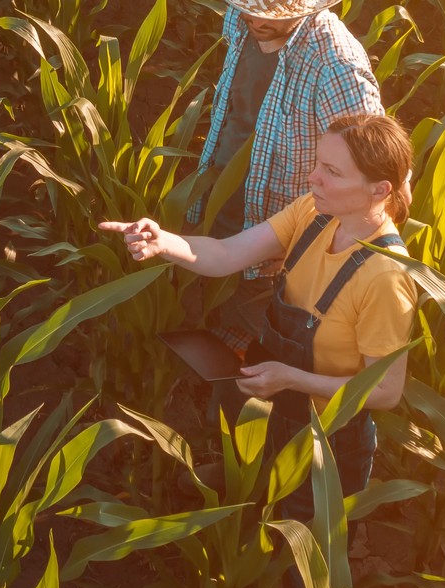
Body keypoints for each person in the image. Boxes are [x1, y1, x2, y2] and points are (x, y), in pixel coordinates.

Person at [100, 112, 419, 518]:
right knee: (257, 514)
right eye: (318, 163)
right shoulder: (314, 214)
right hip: (275, 411)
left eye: (332, 172)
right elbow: (227, 253)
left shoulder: (385, 277)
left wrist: (292, 379)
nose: (313, 178)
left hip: (326, 444)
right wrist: (165, 241)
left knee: (301, 555)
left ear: (380, 189)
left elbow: (385, 392)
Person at [189, 0, 382, 370]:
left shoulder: (336, 65)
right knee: (205, 305)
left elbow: (376, 168)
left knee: (252, 338)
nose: (256, 15)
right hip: (221, 195)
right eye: (251, 0)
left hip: (277, 237)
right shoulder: (242, 15)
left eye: (273, 8)